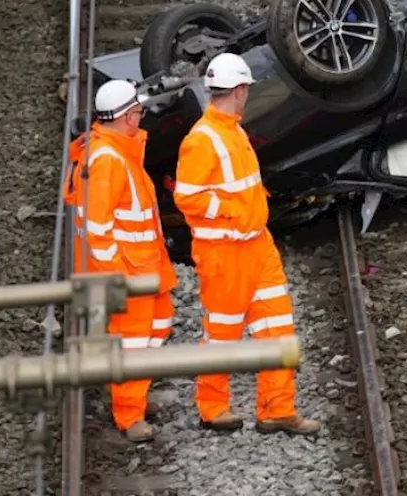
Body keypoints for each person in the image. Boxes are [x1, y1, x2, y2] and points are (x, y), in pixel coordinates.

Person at [173, 52, 320, 436]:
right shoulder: (203, 139)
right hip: (225, 254)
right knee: (222, 333)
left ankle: (277, 409)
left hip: (257, 245)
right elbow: (187, 197)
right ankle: (213, 407)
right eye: (246, 90)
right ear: (238, 90)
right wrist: (234, 211)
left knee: (277, 326)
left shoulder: (232, 130)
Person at [62, 79, 177, 443]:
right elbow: (98, 228)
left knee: (158, 327)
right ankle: (129, 415)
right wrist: (118, 276)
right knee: (133, 342)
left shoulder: (117, 151)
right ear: (128, 117)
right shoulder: (109, 159)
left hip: (145, 265)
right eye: (139, 113)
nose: (141, 119)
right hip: (129, 272)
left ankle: (136, 395)